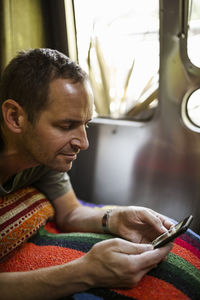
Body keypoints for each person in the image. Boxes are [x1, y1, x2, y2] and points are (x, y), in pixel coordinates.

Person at [0, 48, 173, 300]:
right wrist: (83, 273)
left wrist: (115, 218)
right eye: (67, 125)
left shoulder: (41, 156)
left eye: (86, 124)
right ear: (15, 117)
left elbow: (70, 212)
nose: (84, 143)